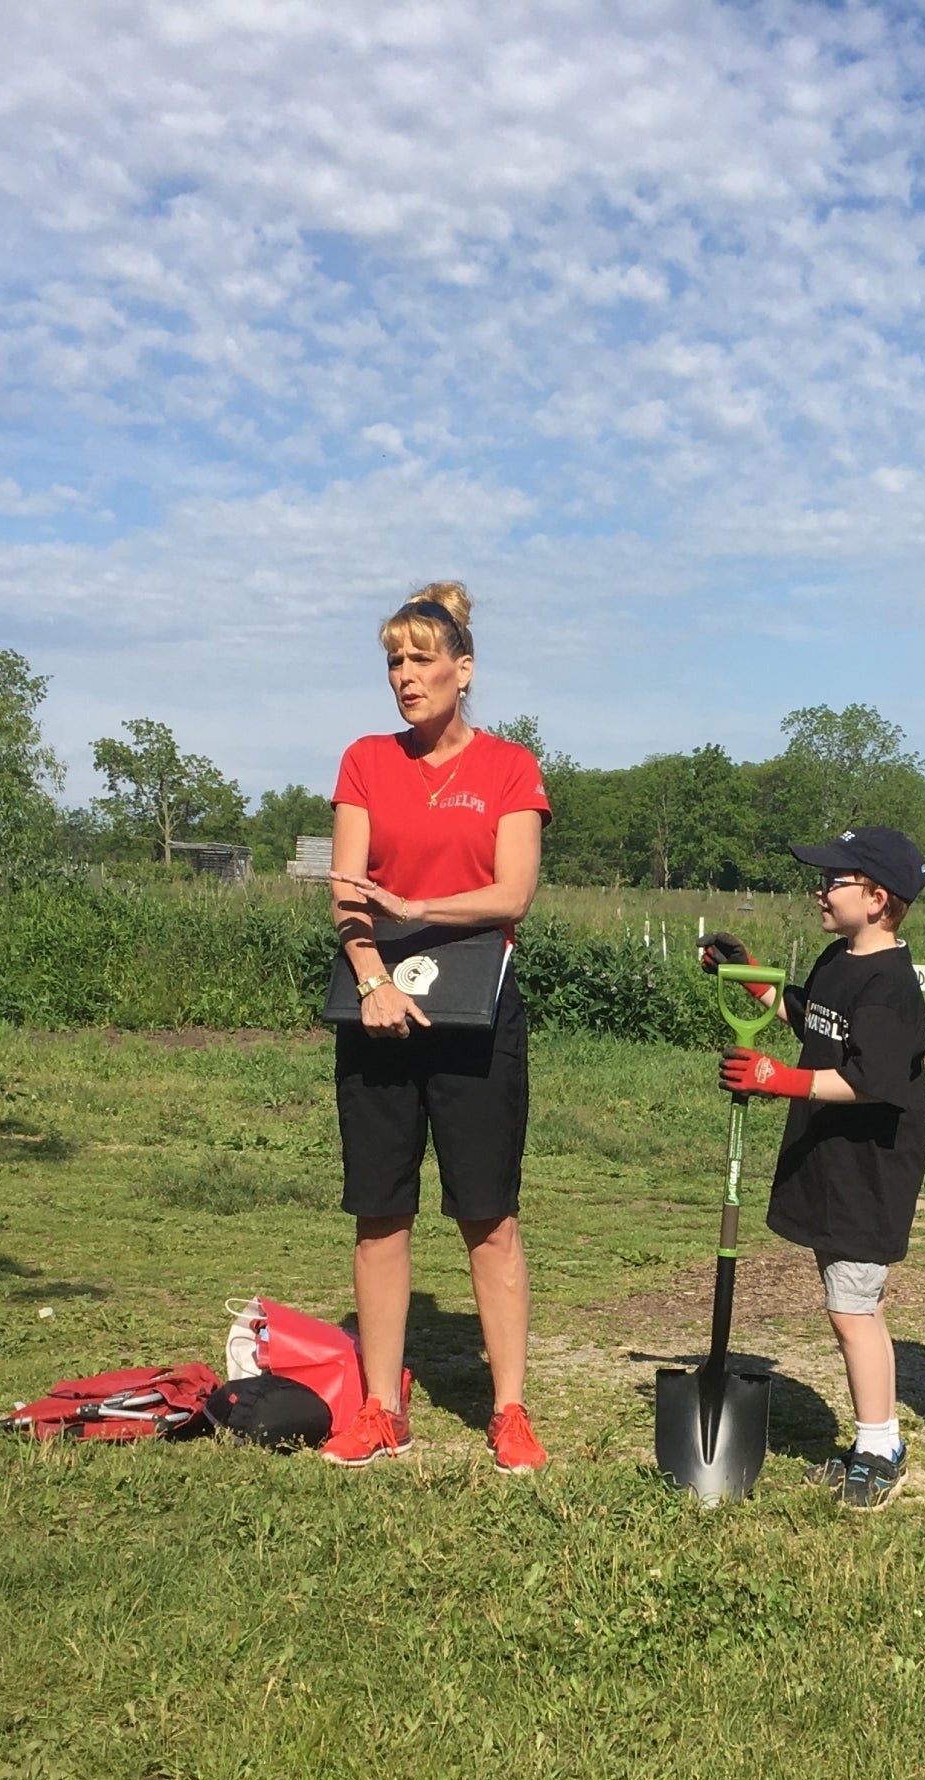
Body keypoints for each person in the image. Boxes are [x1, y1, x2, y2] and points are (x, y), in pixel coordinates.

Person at [321, 582, 553, 1475]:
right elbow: (347, 889)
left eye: (422, 660)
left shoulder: (508, 767)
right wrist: (373, 977)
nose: (405, 678)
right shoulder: (364, 762)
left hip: (475, 1016)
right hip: (376, 1010)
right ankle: (382, 1408)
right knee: (380, 1215)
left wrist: (417, 904)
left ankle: (510, 1411)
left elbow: (512, 894)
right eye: (393, 661)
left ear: (465, 670)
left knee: (487, 1217)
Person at [700, 826, 925, 1510]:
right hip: (833, 1163)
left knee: (850, 1310)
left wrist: (779, 1080)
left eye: (834, 881)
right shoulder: (841, 959)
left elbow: (871, 1079)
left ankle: (877, 1448)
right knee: (856, 1305)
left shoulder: (890, 985)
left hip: (870, 1172)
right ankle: (879, 1437)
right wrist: (749, 976)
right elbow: (812, 1022)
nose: (819, 890)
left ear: (878, 897)